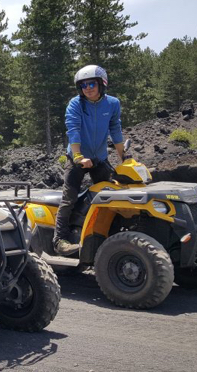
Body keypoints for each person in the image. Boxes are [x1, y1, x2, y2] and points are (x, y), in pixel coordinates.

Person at [54, 65, 125, 255]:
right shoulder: (76, 104)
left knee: (112, 195)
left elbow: (116, 131)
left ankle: (108, 234)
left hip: (99, 157)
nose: (88, 88)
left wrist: (125, 159)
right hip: (77, 157)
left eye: (91, 83)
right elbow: (73, 129)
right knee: (68, 198)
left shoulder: (112, 104)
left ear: (102, 84)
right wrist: (77, 156)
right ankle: (60, 239)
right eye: (83, 85)